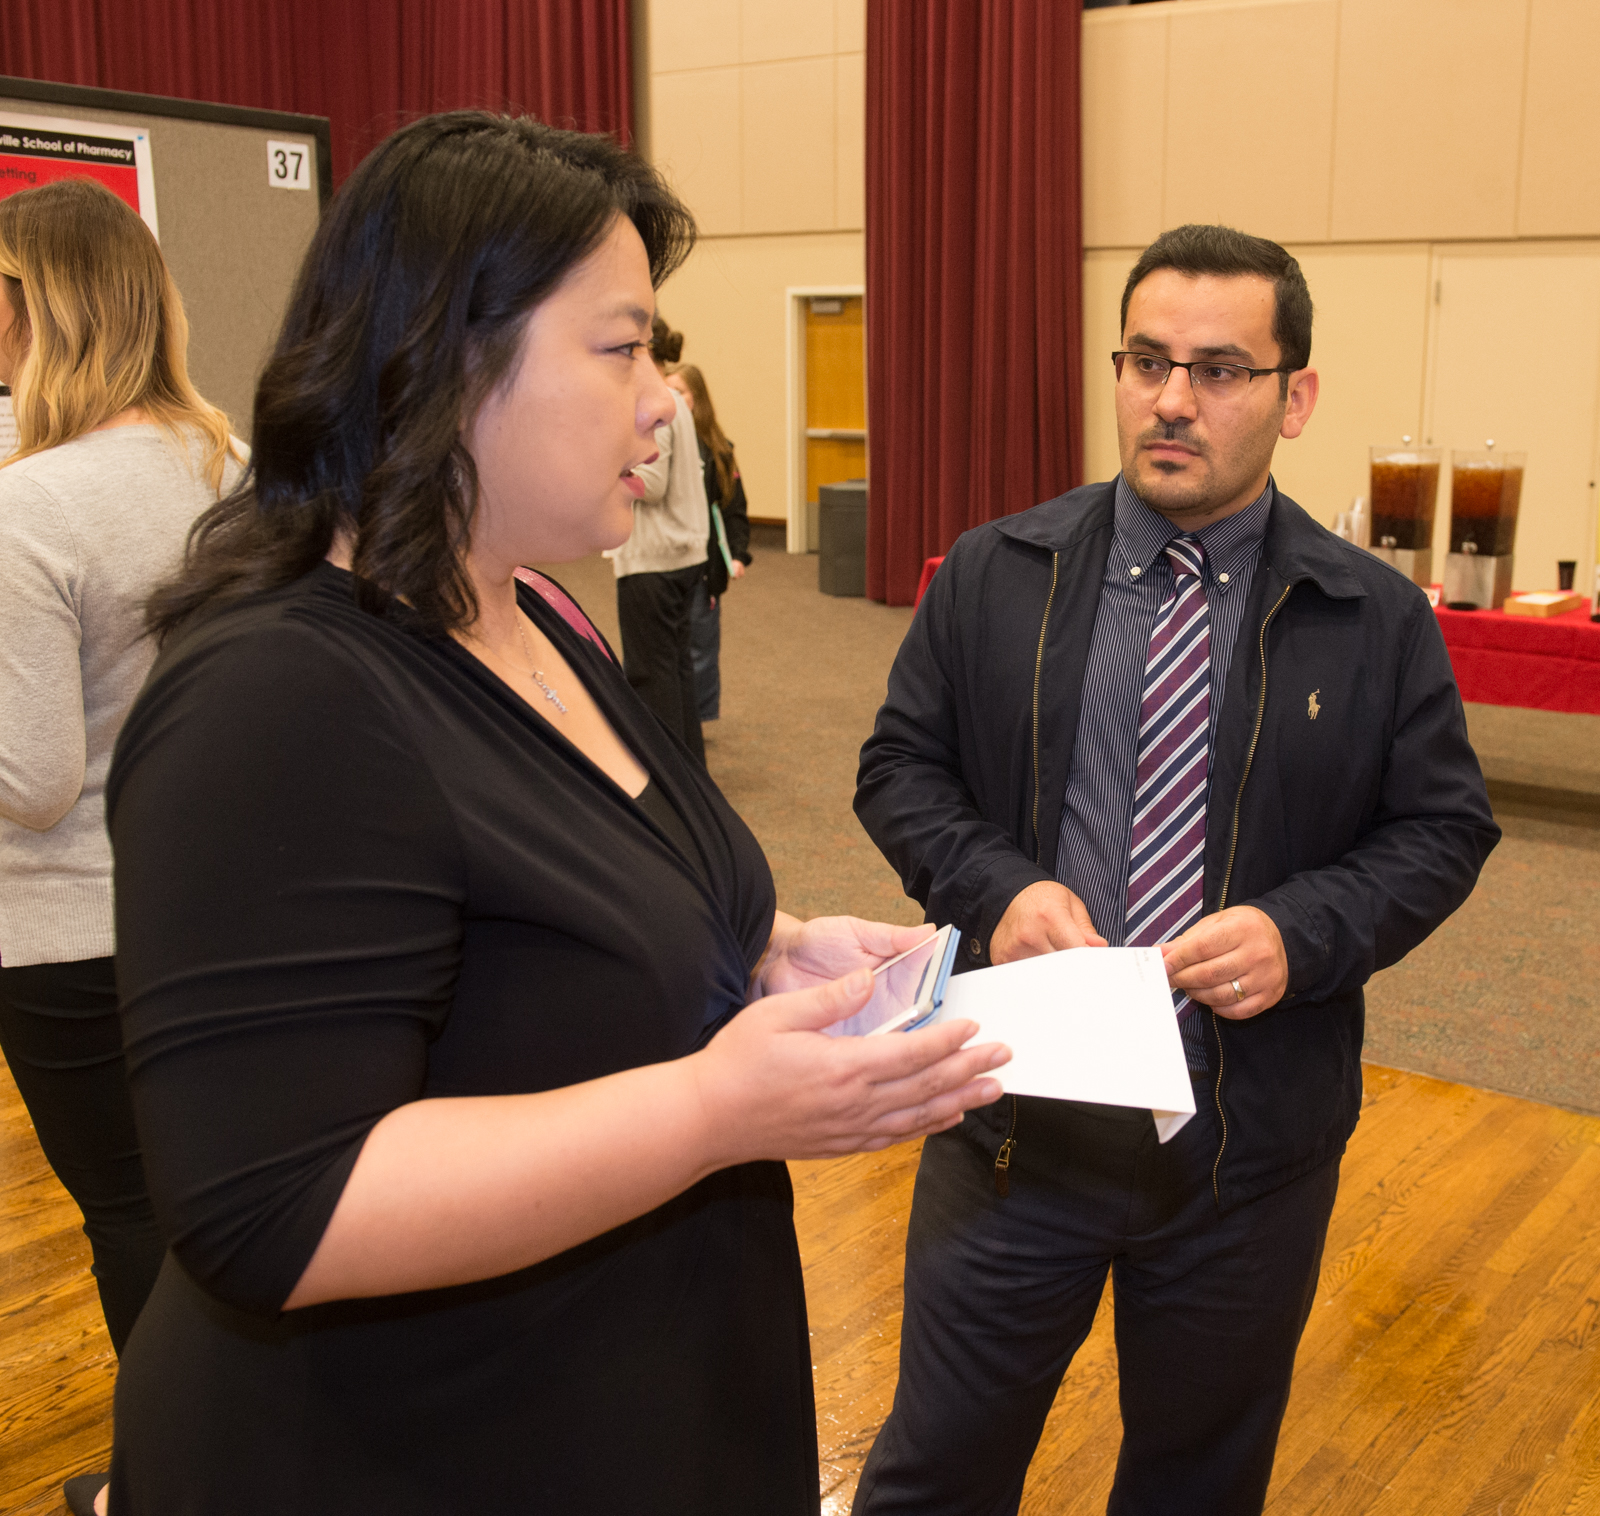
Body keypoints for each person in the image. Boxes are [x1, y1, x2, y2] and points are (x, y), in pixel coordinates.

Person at [103, 112, 1009, 1516]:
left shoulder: (534, 611)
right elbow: (277, 1208)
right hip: (402, 1450)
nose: (662, 396)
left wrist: (774, 951)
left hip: (622, 1392)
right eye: (622, 345)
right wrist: (714, 1107)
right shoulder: (281, 695)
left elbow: (581, 908)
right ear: (448, 358)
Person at [851, 224, 1500, 1515]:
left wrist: (1299, 934)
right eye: (1146, 361)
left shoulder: (1373, 618)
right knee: (936, 1475)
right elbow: (899, 772)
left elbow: (1443, 829)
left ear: (1294, 396)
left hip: (1242, 1157)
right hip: (1010, 1127)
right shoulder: (995, 575)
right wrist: (998, 888)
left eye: (1218, 370)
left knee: (1197, 1487)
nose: (1170, 400)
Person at [0, 178, 247, 1516]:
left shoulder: (29, 508)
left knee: (132, 1226)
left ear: (41, 314)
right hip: (217, 909)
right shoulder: (233, 469)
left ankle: (169, 1484)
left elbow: (28, 780)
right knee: (220, 1209)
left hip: (64, 930)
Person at [609, 314, 711, 760]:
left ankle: (670, 777)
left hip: (656, 559)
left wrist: (610, 471)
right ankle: (691, 773)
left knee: (652, 676)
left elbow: (653, 482)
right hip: (681, 555)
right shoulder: (675, 403)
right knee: (676, 669)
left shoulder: (655, 404)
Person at [666, 362, 752, 722]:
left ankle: (697, 719)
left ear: (696, 398)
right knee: (667, 643)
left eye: (679, 392)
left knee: (701, 642)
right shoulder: (658, 442)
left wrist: (737, 554)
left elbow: (734, 507)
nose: (671, 399)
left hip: (705, 564)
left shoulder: (718, 450)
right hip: (669, 557)